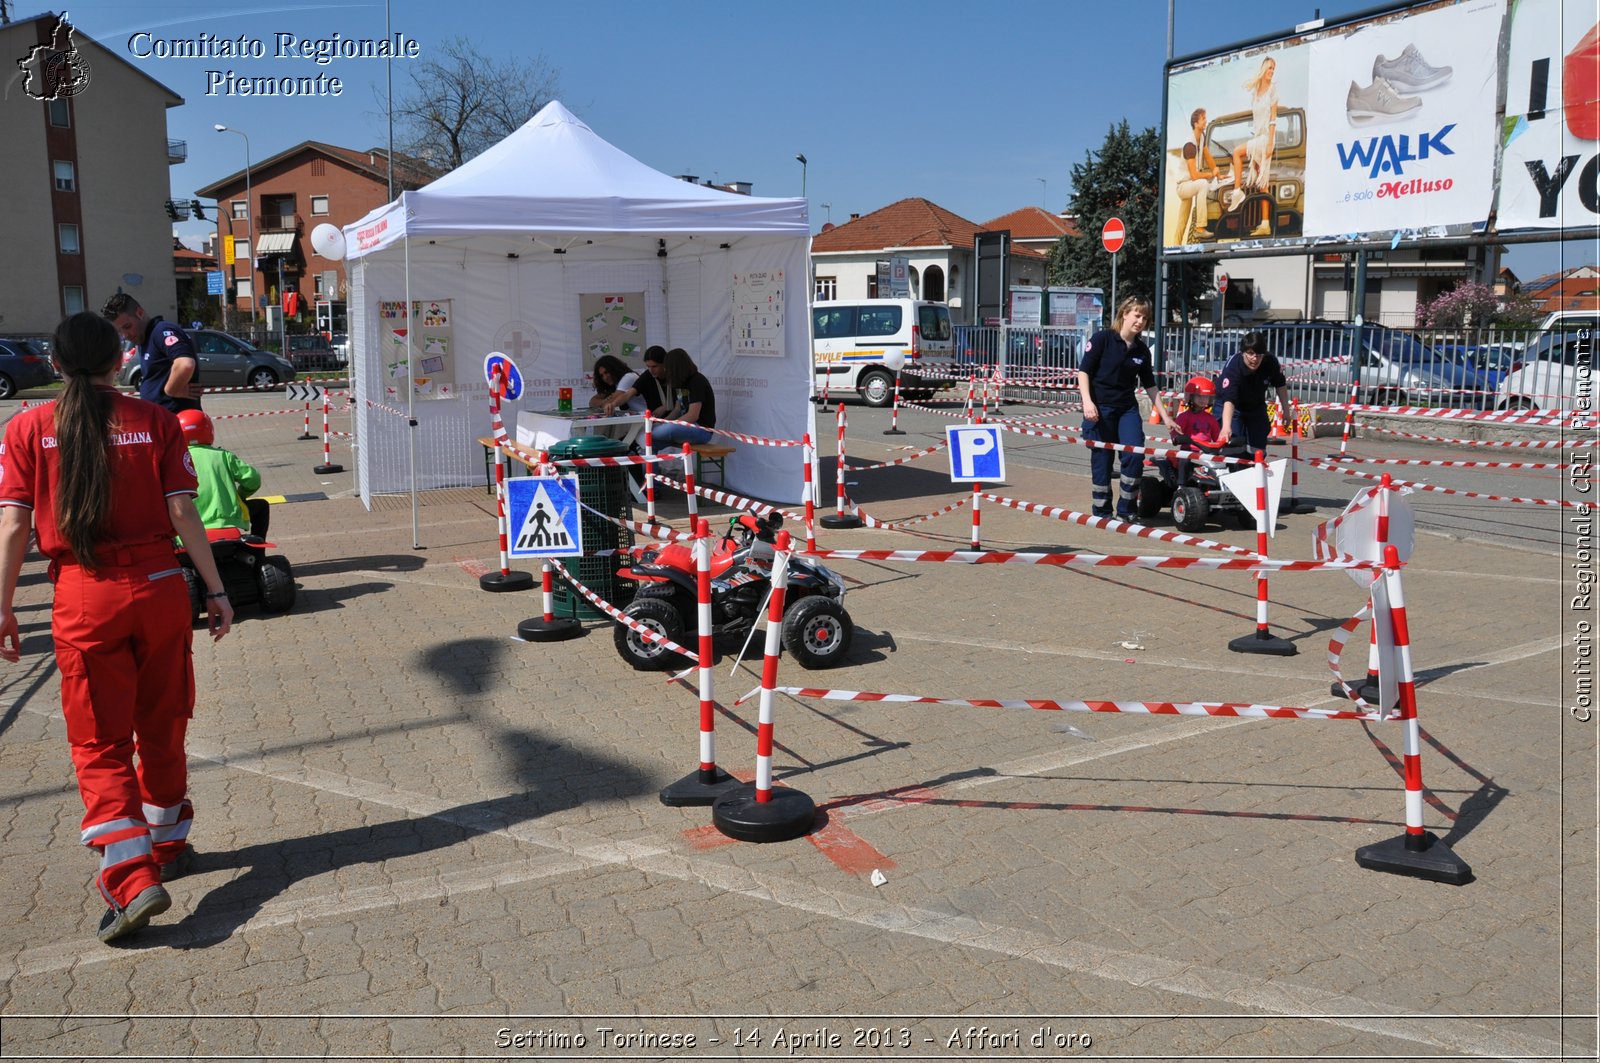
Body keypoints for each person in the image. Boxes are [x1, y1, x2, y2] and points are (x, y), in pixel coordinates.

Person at [0, 312, 233, 944]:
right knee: (164, 718)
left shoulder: (25, 427)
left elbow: (15, 526)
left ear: (53, 364)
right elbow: (183, 511)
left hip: (84, 594)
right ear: (120, 360)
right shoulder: (156, 421)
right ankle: (168, 843)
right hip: (160, 588)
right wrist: (215, 589)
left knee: (100, 741)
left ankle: (130, 876)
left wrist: (1, 606)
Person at [1077, 297, 1177, 520]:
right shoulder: (1103, 339)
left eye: (1145, 318)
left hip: (1126, 409)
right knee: (1102, 459)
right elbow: (1083, 372)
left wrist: (1166, 417)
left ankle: (1127, 510)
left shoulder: (1142, 350)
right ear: (1124, 314)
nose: (1140, 321)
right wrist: (1087, 402)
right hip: (1100, 409)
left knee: (1134, 453)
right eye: (1137, 315)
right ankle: (1102, 512)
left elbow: (1150, 386)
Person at [101, 293, 202, 414]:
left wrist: (171, 390)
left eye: (127, 326)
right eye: (120, 331)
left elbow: (185, 364)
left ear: (140, 312)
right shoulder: (145, 340)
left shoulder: (161, 331)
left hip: (175, 422)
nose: (125, 335)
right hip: (160, 422)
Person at [177, 409, 268, 537]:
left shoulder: (174, 459)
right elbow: (253, 480)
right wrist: (240, 496)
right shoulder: (224, 456)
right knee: (262, 506)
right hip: (227, 520)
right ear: (209, 431)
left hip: (189, 522)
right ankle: (258, 554)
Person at [1216, 330, 1295, 453]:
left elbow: (1280, 384)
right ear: (1243, 353)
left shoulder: (1270, 362)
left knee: (1257, 449)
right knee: (1233, 446)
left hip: (1255, 406)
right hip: (1231, 407)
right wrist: (1226, 426)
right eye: (1250, 354)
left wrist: (1286, 410)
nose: (1255, 359)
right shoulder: (1234, 366)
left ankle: (1254, 468)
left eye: (1259, 355)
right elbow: (1229, 400)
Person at [1228, 57, 1278, 238]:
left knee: (1236, 152)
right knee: (1262, 185)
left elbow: (1273, 119)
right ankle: (1265, 224)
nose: (1272, 71)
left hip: (1265, 140)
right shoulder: (1256, 91)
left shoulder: (1272, 90)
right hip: (1257, 137)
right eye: (1270, 68)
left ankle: (1237, 191)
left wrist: (1271, 143)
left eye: (1274, 69)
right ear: (1264, 69)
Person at [652, 347, 716, 447]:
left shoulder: (697, 381)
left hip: (701, 431)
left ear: (675, 367)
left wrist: (669, 425)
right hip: (684, 427)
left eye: (667, 367)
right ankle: (650, 462)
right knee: (651, 441)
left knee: (654, 432)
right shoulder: (681, 382)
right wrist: (663, 422)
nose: (665, 370)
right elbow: (677, 409)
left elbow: (693, 416)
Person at [1176, 108, 1220, 241]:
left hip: (1191, 184)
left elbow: (1207, 155)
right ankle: (1200, 228)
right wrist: (1209, 175)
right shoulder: (1190, 145)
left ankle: (1175, 244)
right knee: (1202, 184)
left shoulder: (1202, 136)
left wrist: (1217, 172)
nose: (1205, 121)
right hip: (1183, 186)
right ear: (1196, 124)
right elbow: (1195, 175)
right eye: (1203, 119)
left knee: (1182, 222)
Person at [1169, 375, 1222, 472]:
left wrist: (1224, 441)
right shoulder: (1184, 417)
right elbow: (1175, 432)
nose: (1202, 399)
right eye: (1199, 396)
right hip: (1189, 450)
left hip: (1206, 451)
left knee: (1222, 462)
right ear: (1190, 397)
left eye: (1205, 397)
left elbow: (1217, 437)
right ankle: (1181, 485)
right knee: (1185, 461)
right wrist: (1176, 438)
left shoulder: (1211, 418)